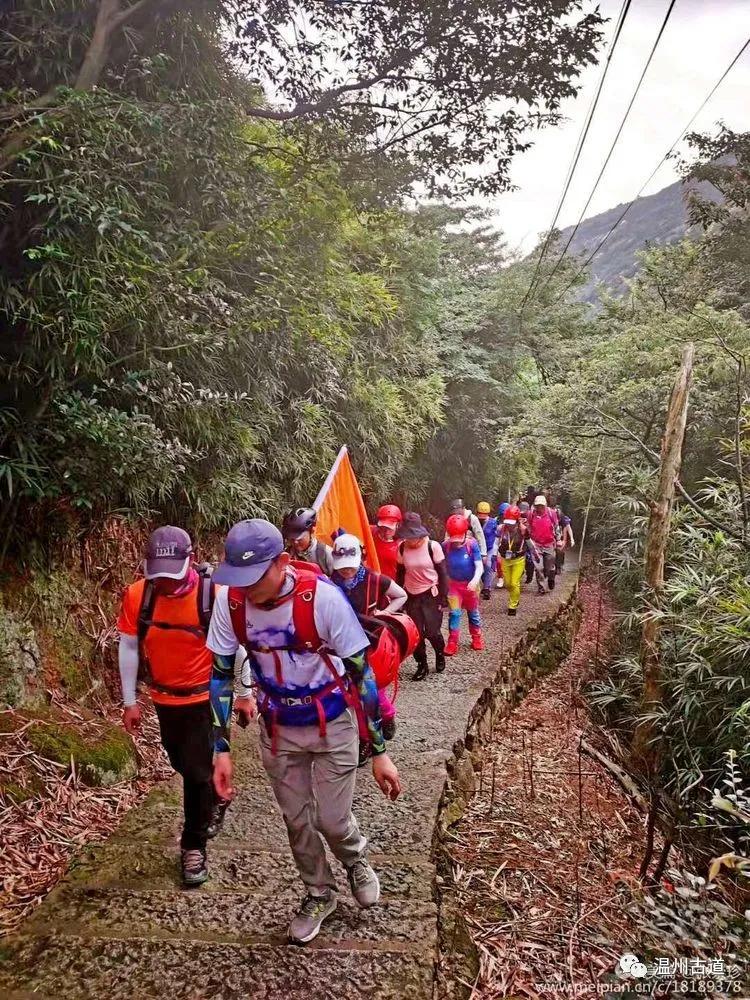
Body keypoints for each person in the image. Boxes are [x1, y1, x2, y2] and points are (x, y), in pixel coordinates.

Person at [207, 519, 401, 946]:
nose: (245, 588)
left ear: (282, 562)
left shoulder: (323, 600)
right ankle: (318, 892)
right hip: (278, 727)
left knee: (331, 819)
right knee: (296, 820)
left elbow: (362, 673)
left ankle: (354, 858)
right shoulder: (230, 602)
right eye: (238, 577)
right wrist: (220, 750)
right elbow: (220, 675)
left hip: (332, 722)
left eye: (254, 576)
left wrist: (380, 752)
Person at [117, 526, 227, 887]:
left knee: (195, 773)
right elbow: (128, 646)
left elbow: (234, 648)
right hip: (164, 698)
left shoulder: (213, 595)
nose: (165, 583)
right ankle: (215, 796)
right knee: (182, 762)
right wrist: (130, 701)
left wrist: (242, 693)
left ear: (191, 560)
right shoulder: (139, 596)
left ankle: (193, 845)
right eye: (159, 575)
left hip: (204, 698)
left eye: (172, 574)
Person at [330, 532, 407, 740]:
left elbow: (401, 595)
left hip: (369, 641)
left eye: (351, 565)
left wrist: (385, 612)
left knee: (372, 688)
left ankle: (386, 717)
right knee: (349, 691)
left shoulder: (375, 579)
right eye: (342, 566)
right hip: (340, 642)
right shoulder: (330, 582)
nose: (346, 570)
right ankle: (362, 737)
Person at [395, 512, 448, 680]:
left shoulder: (433, 546)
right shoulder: (402, 548)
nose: (410, 540)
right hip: (411, 594)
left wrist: (443, 598)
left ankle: (440, 653)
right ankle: (422, 664)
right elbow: (400, 573)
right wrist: (398, 596)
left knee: (432, 631)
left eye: (413, 536)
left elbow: (443, 573)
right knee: (415, 633)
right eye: (407, 536)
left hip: (431, 593)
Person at [443, 513, 485, 655]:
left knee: (473, 613)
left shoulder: (472, 545)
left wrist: (474, 581)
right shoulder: (446, 546)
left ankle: (476, 637)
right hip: (454, 586)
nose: (455, 542)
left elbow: (479, 566)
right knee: (454, 613)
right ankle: (452, 641)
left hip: (470, 586)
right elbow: (441, 566)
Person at [494, 506, 530, 617]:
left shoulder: (523, 530)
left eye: (512, 523)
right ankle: (515, 596)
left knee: (514, 583)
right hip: (505, 559)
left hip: (518, 559)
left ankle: (512, 605)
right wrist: (494, 555)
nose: (509, 525)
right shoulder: (501, 529)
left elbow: (530, 543)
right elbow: (496, 542)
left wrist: (535, 555)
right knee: (508, 584)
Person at [282, 506, 334, 576]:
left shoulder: (326, 554)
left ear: (312, 530)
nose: (295, 542)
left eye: (299, 538)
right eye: (291, 539)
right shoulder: (287, 554)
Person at [528, 495, 560, 593]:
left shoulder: (551, 513)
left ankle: (551, 577)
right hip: (536, 545)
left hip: (549, 544)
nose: (540, 507)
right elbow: (529, 527)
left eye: (541, 505)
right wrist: (529, 541)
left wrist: (558, 539)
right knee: (539, 568)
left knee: (549, 567)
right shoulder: (531, 514)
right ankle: (541, 587)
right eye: (538, 505)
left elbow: (556, 527)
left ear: (545, 505)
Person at [370, 504, 403, 579]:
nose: (386, 531)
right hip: (369, 580)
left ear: (398, 525)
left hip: (388, 583)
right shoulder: (370, 532)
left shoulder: (401, 545)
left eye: (390, 528)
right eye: (383, 527)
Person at [476, 501, 498, 600]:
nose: (482, 517)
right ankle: (484, 583)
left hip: (489, 548)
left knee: (488, 566)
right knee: (479, 568)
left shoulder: (493, 522)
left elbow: (497, 535)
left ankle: (487, 589)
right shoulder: (474, 521)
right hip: (477, 548)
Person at [495, 502, 510, 589]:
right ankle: (500, 577)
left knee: (509, 561)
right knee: (498, 561)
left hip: (510, 545)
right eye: (502, 515)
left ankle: (509, 577)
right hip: (499, 544)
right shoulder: (495, 521)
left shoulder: (513, 522)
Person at [556, 507, 576, 574]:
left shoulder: (564, 518)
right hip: (553, 534)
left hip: (562, 533)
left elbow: (568, 528)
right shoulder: (551, 516)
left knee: (561, 550)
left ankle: (559, 566)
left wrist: (572, 539)